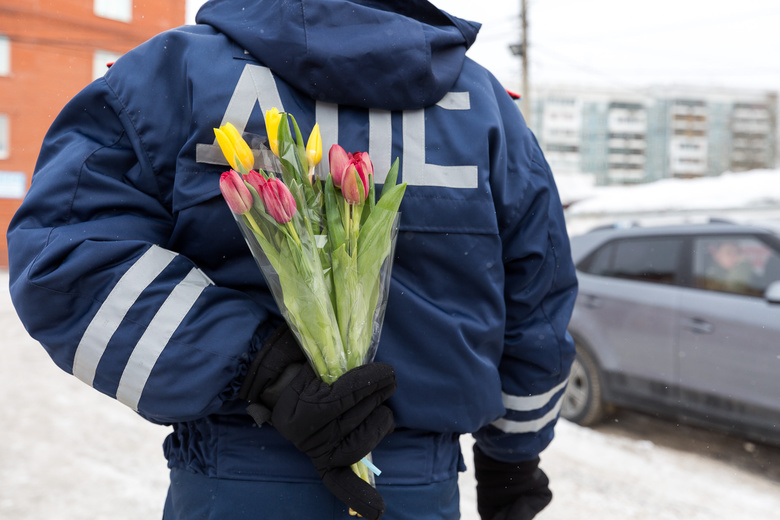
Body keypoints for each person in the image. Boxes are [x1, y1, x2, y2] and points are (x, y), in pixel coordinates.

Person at [6, 0, 577, 519]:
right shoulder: (485, 109)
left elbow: (64, 263)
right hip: (416, 489)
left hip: (233, 479)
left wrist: (262, 372)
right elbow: (539, 304)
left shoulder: (171, 76)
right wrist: (513, 461)